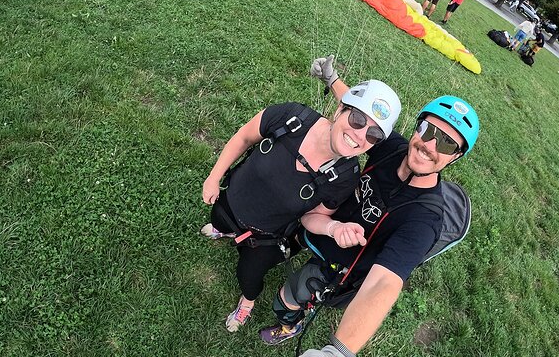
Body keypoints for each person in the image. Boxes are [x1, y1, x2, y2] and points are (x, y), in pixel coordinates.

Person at [259, 56, 479, 354]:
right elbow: (362, 118)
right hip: (324, 219)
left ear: (456, 157)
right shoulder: (394, 149)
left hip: (340, 266)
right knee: (287, 241)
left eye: (446, 143)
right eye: (428, 131)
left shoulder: (425, 219)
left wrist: (339, 351)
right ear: (417, 128)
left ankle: (290, 325)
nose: (429, 146)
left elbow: (383, 284)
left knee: (289, 296)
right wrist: (332, 80)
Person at [201, 76, 401, 333]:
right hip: (231, 201)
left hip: (265, 237)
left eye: (373, 135)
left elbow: (312, 216)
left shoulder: (345, 177)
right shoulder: (291, 117)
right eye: (358, 119)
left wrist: (333, 228)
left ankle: (247, 302)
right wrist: (214, 177)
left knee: (248, 276)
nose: (360, 135)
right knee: (217, 219)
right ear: (340, 109)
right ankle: (224, 230)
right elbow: (244, 138)